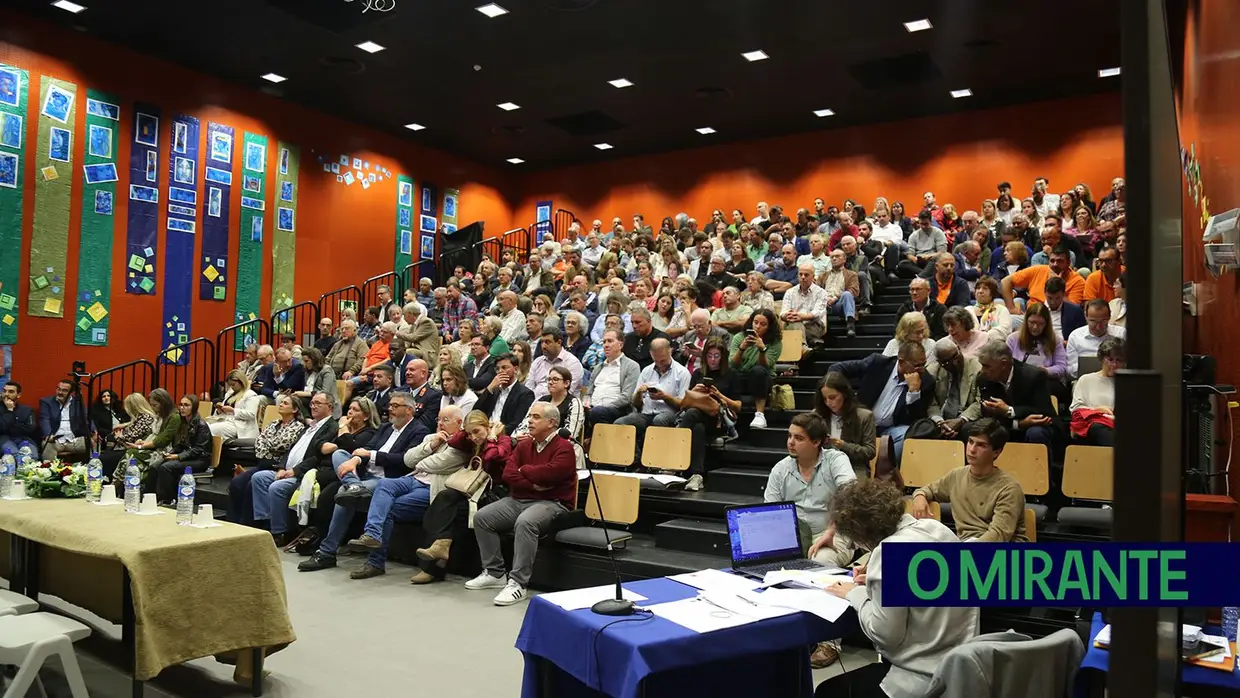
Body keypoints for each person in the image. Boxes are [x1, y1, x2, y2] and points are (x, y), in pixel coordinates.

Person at [817, 479, 980, 698]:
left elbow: (885, 635)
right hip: (961, 670)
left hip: (920, 679)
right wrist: (880, 583)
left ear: (860, 531)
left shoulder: (889, 551)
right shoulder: (937, 529)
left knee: (827, 692)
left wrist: (854, 594)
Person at [298, 389, 432, 571]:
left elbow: (404, 461)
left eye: (395, 406)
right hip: (363, 474)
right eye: (390, 405)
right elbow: (366, 447)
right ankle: (353, 484)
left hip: (386, 478)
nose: (389, 409)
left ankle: (327, 552)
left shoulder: (419, 431)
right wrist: (356, 459)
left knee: (344, 496)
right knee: (340, 454)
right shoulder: (386, 427)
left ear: (409, 409)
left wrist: (370, 454)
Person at [465, 402, 577, 606]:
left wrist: (524, 470)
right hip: (519, 499)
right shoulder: (524, 445)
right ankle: (495, 573)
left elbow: (552, 474)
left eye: (535, 417)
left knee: (526, 522)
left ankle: (518, 583)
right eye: (530, 416)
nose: (529, 421)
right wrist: (534, 482)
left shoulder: (565, 447)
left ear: (551, 423)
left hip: (553, 502)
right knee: (482, 517)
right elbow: (508, 474)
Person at [343, 405, 472, 578]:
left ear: (459, 422)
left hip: (430, 488)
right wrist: (432, 444)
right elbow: (408, 459)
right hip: (412, 479)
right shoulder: (430, 437)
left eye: (445, 420)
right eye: (438, 419)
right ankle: (372, 533)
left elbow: (434, 464)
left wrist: (421, 459)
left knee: (387, 508)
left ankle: (375, 562)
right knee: (385, 484)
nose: (440, 423)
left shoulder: (462, 444)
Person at [411, 410, 517, 584]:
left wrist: (490, 436)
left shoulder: (504, 440)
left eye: (476, 432)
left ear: (487, 426)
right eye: (469, 433)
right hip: (474, 491)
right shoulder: (470, 440)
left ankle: (434, 566)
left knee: (452, 512)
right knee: (443, 499)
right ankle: (441, 547)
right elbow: (454, 441)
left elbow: (491, 456)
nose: (473, 437)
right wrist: (465, 430)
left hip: (496, 494)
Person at [911, 418, 1028, 542]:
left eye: (981, 445)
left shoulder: (1009, 488)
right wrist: (919, 497)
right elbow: (928, 490)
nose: (972, 449)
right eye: (971, 442)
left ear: (996, 452)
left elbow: (998, 535)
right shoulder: (957, 476)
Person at [766, 413, 857, 568]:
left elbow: (850, 494)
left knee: (819, 563)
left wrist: (831, 530)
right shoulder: (780, 469)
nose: (791, 443)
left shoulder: (836, 460)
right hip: (794, 536)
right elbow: (770, 511)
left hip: (832, 533)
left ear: (816, 442)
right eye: (789, 436)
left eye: (798, 438)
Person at [248, 392, 339, 540]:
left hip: (305, 474)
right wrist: (282, 467)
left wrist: (294, 471)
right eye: (312, 403)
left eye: (318, 403)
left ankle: (280, 532)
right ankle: (266, 522)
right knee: (259, 477)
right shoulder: (309, 426)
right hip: (287, 469)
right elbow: (291, 449)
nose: (313, 406)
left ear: (329, 407)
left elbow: (317, 456)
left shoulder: (332, 427)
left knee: (276, 488)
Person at [828, 342, 935, 464]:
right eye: (917, 365)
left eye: (923, 364)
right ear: (901, 362)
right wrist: (844, 395)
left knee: (906, 432)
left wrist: (914, 392)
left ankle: (884, 470)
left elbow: (916, 420)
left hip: (889, 429)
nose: (921, 369)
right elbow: (837, 368)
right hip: (860, 423)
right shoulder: (878, 363)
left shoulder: (926, 381)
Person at [226, 394, 306, 524]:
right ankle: (233, 521)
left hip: (278, 467)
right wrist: (269, 447)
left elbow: (282, 445)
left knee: (250, 485)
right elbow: (259, 441)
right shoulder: (274, 423)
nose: (280, 405)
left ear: (295, 410)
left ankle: (250, 523)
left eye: (285, 403)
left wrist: (267, 446)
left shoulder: (298, 427)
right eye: (281, 402)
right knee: (237, 483)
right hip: (263, 463)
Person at [616, 338, 691, 466]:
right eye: (656, 361)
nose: (660, 364)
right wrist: (639, 393)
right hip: (646, 413)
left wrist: (665, 397)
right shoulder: (646, 371)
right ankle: (635, 460)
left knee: (659, 420)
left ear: (670, 352)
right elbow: (635, 404)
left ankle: (656, 461)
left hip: (670, 413)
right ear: (651, 355)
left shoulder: (682, 373)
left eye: (663, 360)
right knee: (620, 423)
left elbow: (683, 404)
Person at [975, 340, 1059, 454]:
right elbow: (988, 417)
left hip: (1037, 428)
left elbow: (1044, 412)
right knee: (974, 429)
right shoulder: (983, 379)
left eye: (986, 366)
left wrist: (1010, 410)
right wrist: (1018, 424)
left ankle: (1040, 470)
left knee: (1036, 432)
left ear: (1004, 364)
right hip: (1006, 426)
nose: (982, 371)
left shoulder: (1033, 376)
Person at [812, 372, 877, 479]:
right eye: (824, 399)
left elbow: (869, 452)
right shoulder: (816, 415)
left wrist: (843, 445)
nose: (828, 402)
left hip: (854, 466)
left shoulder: (864, 416)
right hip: (822, 465)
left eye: (832, 397)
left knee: (852, 491)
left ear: (844, 394)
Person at [151, 394, 213, 504]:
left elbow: (198, 450)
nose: (182, 408)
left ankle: (168, 500)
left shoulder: (201, 425)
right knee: (156, 465)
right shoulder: (183, 422)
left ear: (193, 407)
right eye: (181, 405)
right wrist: (170, 453)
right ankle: (151, 497)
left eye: (186, 405)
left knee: (167, 467)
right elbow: (181, 445)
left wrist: (177, 456)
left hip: (200, 460)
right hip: (187, 456)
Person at [730, 308, 782, 429]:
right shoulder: (739, 337)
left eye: (763, 324)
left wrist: (762, 349)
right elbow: (732, 364)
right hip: (742, 375)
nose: (757, 326)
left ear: (769, 327)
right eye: (755, 322)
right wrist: (742, 348)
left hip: (763, 377)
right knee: (729, 373)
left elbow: (766, 366)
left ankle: (760, 414)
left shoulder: (775, 342)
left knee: (758, 371)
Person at [124, 388, 183, 489]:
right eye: (151, 405)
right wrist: (142, 441)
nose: (152, 407)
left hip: (165, 450)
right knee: (130, 454)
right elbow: (151, 433)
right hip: (153, 446)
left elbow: (163, 439)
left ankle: (130, 485)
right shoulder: (159, 416)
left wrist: (140, 446)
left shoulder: (175, 417)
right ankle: (126, 484)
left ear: (163, 403)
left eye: (155, 405)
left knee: (132, 454)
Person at [1070, 337, 1122, 446]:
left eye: (1118, 360)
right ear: (1102, 359)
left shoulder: (1126, 383)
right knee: (1097, 428)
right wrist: (1098, 410)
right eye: (1110, 359)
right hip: (1091, 427)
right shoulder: (1086, 380)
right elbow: (1076, 409)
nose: (1114, 365)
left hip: (1118, 425)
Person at [927, 338, 983, 440]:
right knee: (925, 427)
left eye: (955, 356)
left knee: (968, 429)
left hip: (966, 417)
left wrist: (961, 420)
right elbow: (931, 402)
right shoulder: (932, 372)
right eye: (947, 362)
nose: (954, 363)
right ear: (939, 362)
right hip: (941, 418)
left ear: (958, 349)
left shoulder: (977, 368)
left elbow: (980, 400)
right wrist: (940, 422)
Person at [1000, 246, 1085, 311]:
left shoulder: (1078, 281)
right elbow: (1005, 281)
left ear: (1068, 263)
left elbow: (1073, 310)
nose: (1055, 264)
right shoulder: (1038, 270)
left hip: (1059, 318)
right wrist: (1011, 308)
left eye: (1060, 261)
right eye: (1052, 261)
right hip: (1032, 315)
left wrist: (1057, 285)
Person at [584, 329, 640, 427]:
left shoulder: (632, 366)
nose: (606, 345)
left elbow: (626, 398)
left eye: (610, 341)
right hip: (593, 409)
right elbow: (588, 393)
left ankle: (597, 439)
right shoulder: (598, 368)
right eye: (604, 342)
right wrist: (586, 403)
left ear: (621, 345)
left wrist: (603, 407)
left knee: (598, 412)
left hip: (618, 410)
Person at [474, 352, 536, 436]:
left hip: (505, 436)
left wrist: (494, 432)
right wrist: (489, 388)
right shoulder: (493, 390)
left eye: (504, 367)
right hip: (485, 432)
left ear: (516, 369)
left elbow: (517, 423)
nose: (500, 371)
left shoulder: (525, 394)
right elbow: (476, 412)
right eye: (497, 369)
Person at [1066, 299, 1126, 378]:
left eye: (1103, 321)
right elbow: (1070, 370)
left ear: (1109, 316)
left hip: (1116, 378)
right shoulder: (1075, 336)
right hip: (1084, 379)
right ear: (1086, 316)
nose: (1098, 327)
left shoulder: (1120, 334)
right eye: (1093, 321)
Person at [100, 392, 155, 476]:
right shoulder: (140, 417)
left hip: (135, 448)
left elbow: (130, 438)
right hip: (127, 447)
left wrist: (117, 436)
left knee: (105, 458)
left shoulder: (145, 418)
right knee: (105, 456)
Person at [524, 326, 584, 399]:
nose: (543, 346)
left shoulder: (572, 363)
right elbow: (529, 388)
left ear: (559, 342)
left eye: (547, 342)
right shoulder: (537, 362)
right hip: (535, 404)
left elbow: (566, 392)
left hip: (561, 405)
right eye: (542, 342)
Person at [39, 379, 90, 461]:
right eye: (58, 389)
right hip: (56, 440)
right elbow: (44, 419)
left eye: (64, 390)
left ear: (71, 392)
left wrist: (94, 431)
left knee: (94, 442)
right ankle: (48, 471)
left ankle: (92, 471)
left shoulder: (77, 402)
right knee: (46, 444)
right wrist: (48, 435)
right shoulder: (46, 402)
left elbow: (86, 416)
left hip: (74, 440)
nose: (60, 392)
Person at [779, 263, 829, 345]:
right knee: (795, 324)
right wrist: (787, 315)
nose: (803, 277)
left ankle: (800, 347)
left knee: (796, 326)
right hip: (793, 323)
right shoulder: (790, 292)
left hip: (814, 326)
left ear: (813, 277)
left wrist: (801, 317)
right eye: (800, 274)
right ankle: (803, 348)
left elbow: (817, 313)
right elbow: (783, 312)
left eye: (806, 275)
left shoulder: (821, 293)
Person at [208, 369, 261, 442]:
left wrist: (233, 411)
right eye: (230, 385)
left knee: (211, 429)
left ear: (241, 382)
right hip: (225, 421)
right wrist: (219, 411)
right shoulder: (229, 394)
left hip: (240, 426)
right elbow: (223, 411)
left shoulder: (251, 395)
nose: (232, 387)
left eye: (233, 384)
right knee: (204, 426)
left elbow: (251, 414)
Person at [295, 347, 339, 419]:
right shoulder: (307, 371)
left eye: (306, 361)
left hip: (325, 401)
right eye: (303, 361)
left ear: (314, 360)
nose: (304, 364)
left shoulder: (327, 370)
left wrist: (306, 394)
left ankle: (307, 419)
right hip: (311, 401)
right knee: (293, 400)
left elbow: (325, 392)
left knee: (299, 399)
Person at [967, 276, 1012, 342]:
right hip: (969, 346)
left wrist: (982, 337)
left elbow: (1004, 330)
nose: (980, 291)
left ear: (992, 293)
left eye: (985, 288)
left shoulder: (1001, 310)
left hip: (993, 346)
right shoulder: (967, 310)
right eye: (978, 288)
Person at [1, 382, 39, 456]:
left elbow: (30, 429)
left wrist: (10, 426)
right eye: (4, 391)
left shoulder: (27, 410)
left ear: (18, 395)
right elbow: (2, 428)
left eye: (11, 392)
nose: (6, 394)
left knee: (32, 456)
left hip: (23, 439)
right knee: (13, 454)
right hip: (3, 439)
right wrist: (9, 410)